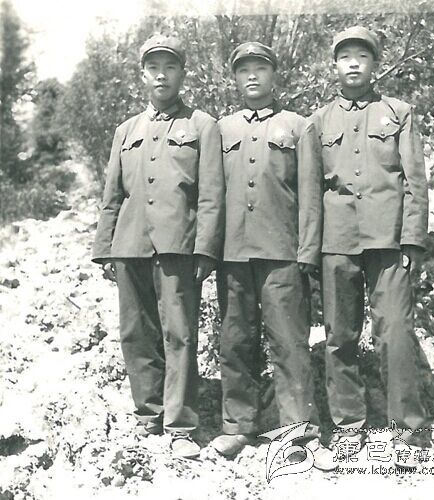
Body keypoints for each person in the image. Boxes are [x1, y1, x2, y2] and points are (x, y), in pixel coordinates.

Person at [92, 34, 224, 459]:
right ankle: (148, 414)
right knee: (136, 333)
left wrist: (205, 249)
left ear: (182, 73)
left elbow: (212, 194)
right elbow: (113, 194)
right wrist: (105, 247)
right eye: (153, 68)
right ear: (142, 75)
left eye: (169, 67)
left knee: (179, 334)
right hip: (130, 244)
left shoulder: (202, 125)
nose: (161, 75)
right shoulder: (126, 130)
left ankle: (181, 424)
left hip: (177, 246)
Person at [309, 26, 431, 470]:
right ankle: (348, 427)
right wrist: (311, 249)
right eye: (346, 57)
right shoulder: (318, 122)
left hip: (388, 241)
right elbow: (310, 191)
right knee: (340, 336)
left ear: (376, 64)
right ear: (334, 66)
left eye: (362, 56)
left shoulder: (398, 113)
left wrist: (413, 239)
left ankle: (408, 430)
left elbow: (415, 181)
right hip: (337, 241)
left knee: (395, 331)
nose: (354, 64)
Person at [210, 42, 322, 456]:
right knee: (235, 341)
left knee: (289, 343)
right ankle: (239, 425)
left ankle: (299, 432)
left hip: (282, 253)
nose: (252, 76)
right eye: (244, 70)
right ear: (235, 79)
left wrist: (307, 251)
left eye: (260, 68)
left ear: (275, 75)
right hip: (233, 253)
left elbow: (310, 195)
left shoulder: (298, 126)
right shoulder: (222, 129)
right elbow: (211, 194)